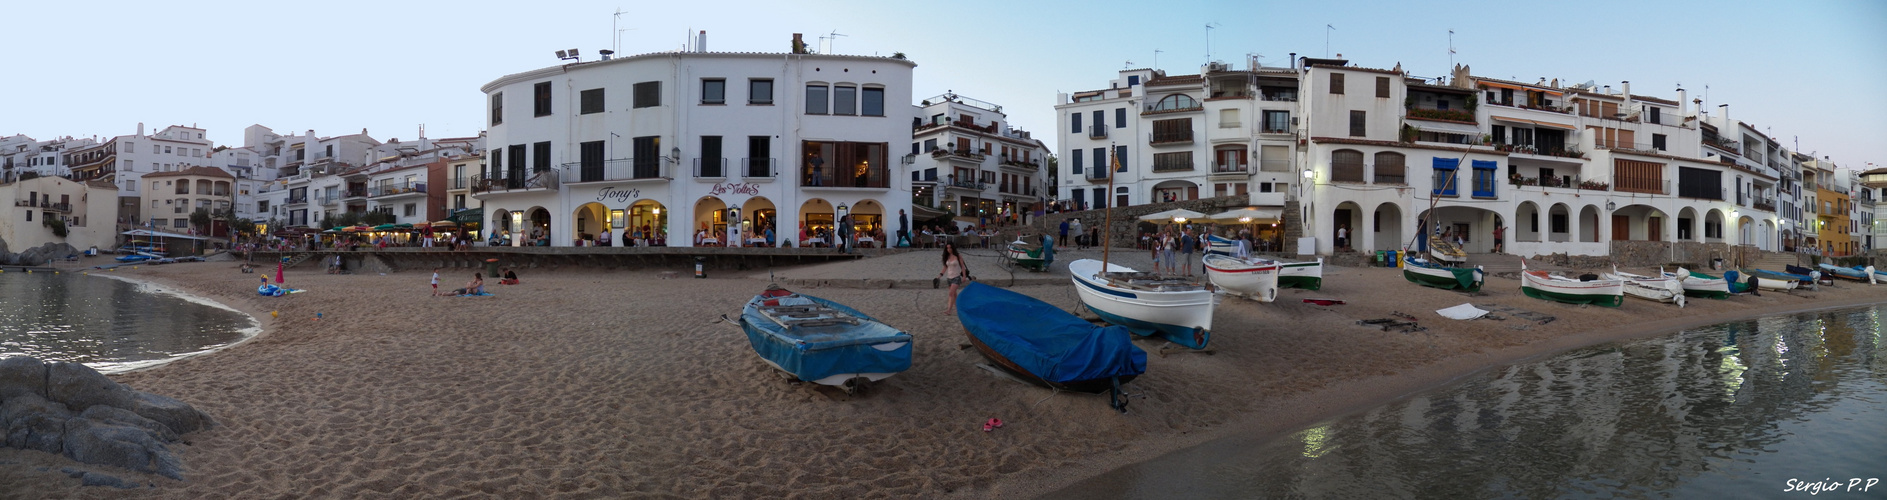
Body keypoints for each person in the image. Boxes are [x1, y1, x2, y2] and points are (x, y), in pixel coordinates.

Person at [939, 243, 970, 314]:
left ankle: (949, 310)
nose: (949, 249)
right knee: (954, 294)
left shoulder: (958, 256)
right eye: (947, 248)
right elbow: (945, 267)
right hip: (949, 277)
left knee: (951, 293)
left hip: (956, 277)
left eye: (950, 248)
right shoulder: (947, 257)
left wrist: (964, 276)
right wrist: (940, 275)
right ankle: (958, 308)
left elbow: (962, 266)